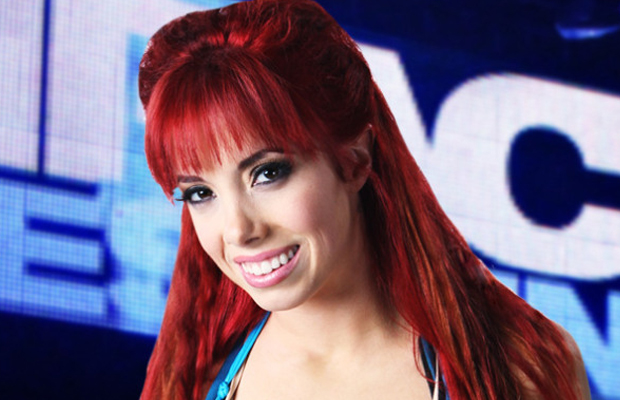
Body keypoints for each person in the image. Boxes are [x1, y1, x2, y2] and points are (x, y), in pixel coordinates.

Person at [137, 0, 591, 399]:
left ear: (355, 162)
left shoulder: (517, 370)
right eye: (201, 193)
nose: (238, 229)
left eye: (268, 173)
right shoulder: (195, 381)